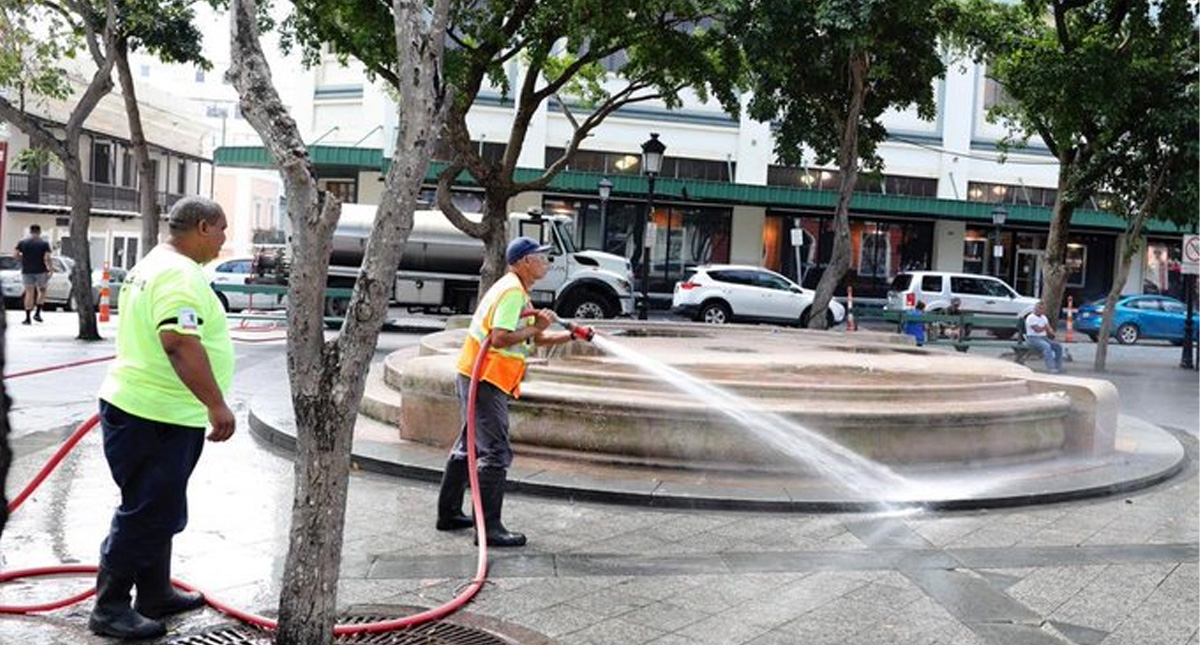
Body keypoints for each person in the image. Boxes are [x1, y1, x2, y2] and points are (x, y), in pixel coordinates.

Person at [90, 197, 236, 639]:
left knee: (160, 505)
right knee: (146, 510)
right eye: (222, 229)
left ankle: (154, 592)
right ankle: (110, 607)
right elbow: (178, 341)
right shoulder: (178, 273)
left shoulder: (156, 262)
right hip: (154, 414)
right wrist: (216, 404)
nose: (224, 239)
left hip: (152, 410)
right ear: (204, 227)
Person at [435, 237, 592, 547]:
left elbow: (533, 340)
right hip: (486, 378)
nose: (546, 262)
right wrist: (536, 327)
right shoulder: (511, 293)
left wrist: (570, 336)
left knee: (469, 445)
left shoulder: (515, 289)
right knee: (495, 451)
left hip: (477, 374)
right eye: (540, 257)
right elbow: (499, 338)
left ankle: (449, 514)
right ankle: (489, 529)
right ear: (523, 262)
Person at [14, 224, 53, 325]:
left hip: (27, 270)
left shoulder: (22, 243)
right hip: (41, 270)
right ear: (39, 232)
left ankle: (27, 318)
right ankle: (37, 313)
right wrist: (51, 269)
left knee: (29, 293)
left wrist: (24, 259)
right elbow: (47, 258)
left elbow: (15, 255)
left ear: (30, 232)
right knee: (42, 290)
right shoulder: (44, 243)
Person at [1024, 301, 1064, 373]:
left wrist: (1054, 335)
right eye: (1039, 308)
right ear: (1035, 308)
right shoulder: (1031, 318)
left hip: (1044, 338)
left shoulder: (1044, 317)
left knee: (1058, 346)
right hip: (1033, 338)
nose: (1040, 310)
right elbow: (1037, 330)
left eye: (1042, 308)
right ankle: (1051, 367)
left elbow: (1049, 328)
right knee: (1047, 346)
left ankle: (1058, 366)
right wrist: (1045, 327)